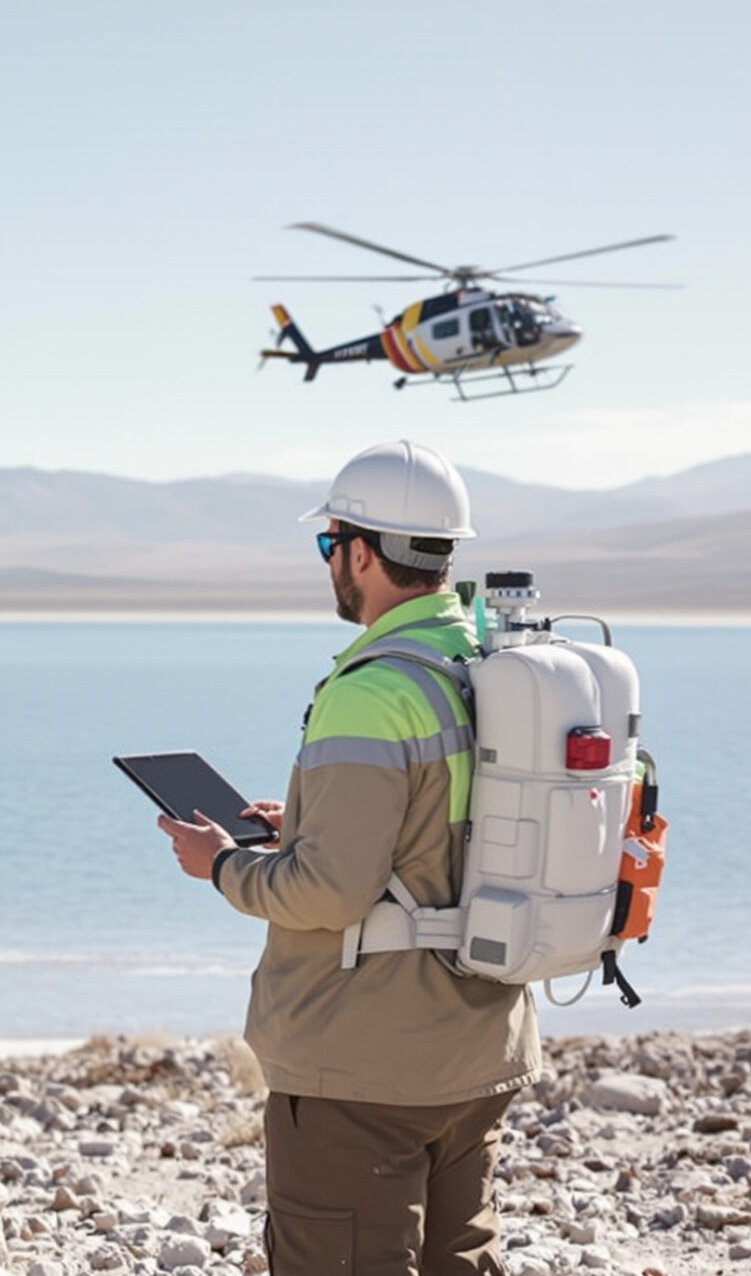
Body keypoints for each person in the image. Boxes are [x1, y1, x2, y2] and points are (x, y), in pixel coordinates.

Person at [158, 440, 536, 1276]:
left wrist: (221, 863)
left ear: (362, 551)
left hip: (363, 1069)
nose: (329, 561)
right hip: (479, 1051)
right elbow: (447, 823)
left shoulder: (371, 689)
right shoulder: (484, 663)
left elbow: (330, 890)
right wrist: (304, 816)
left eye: (330, 544)